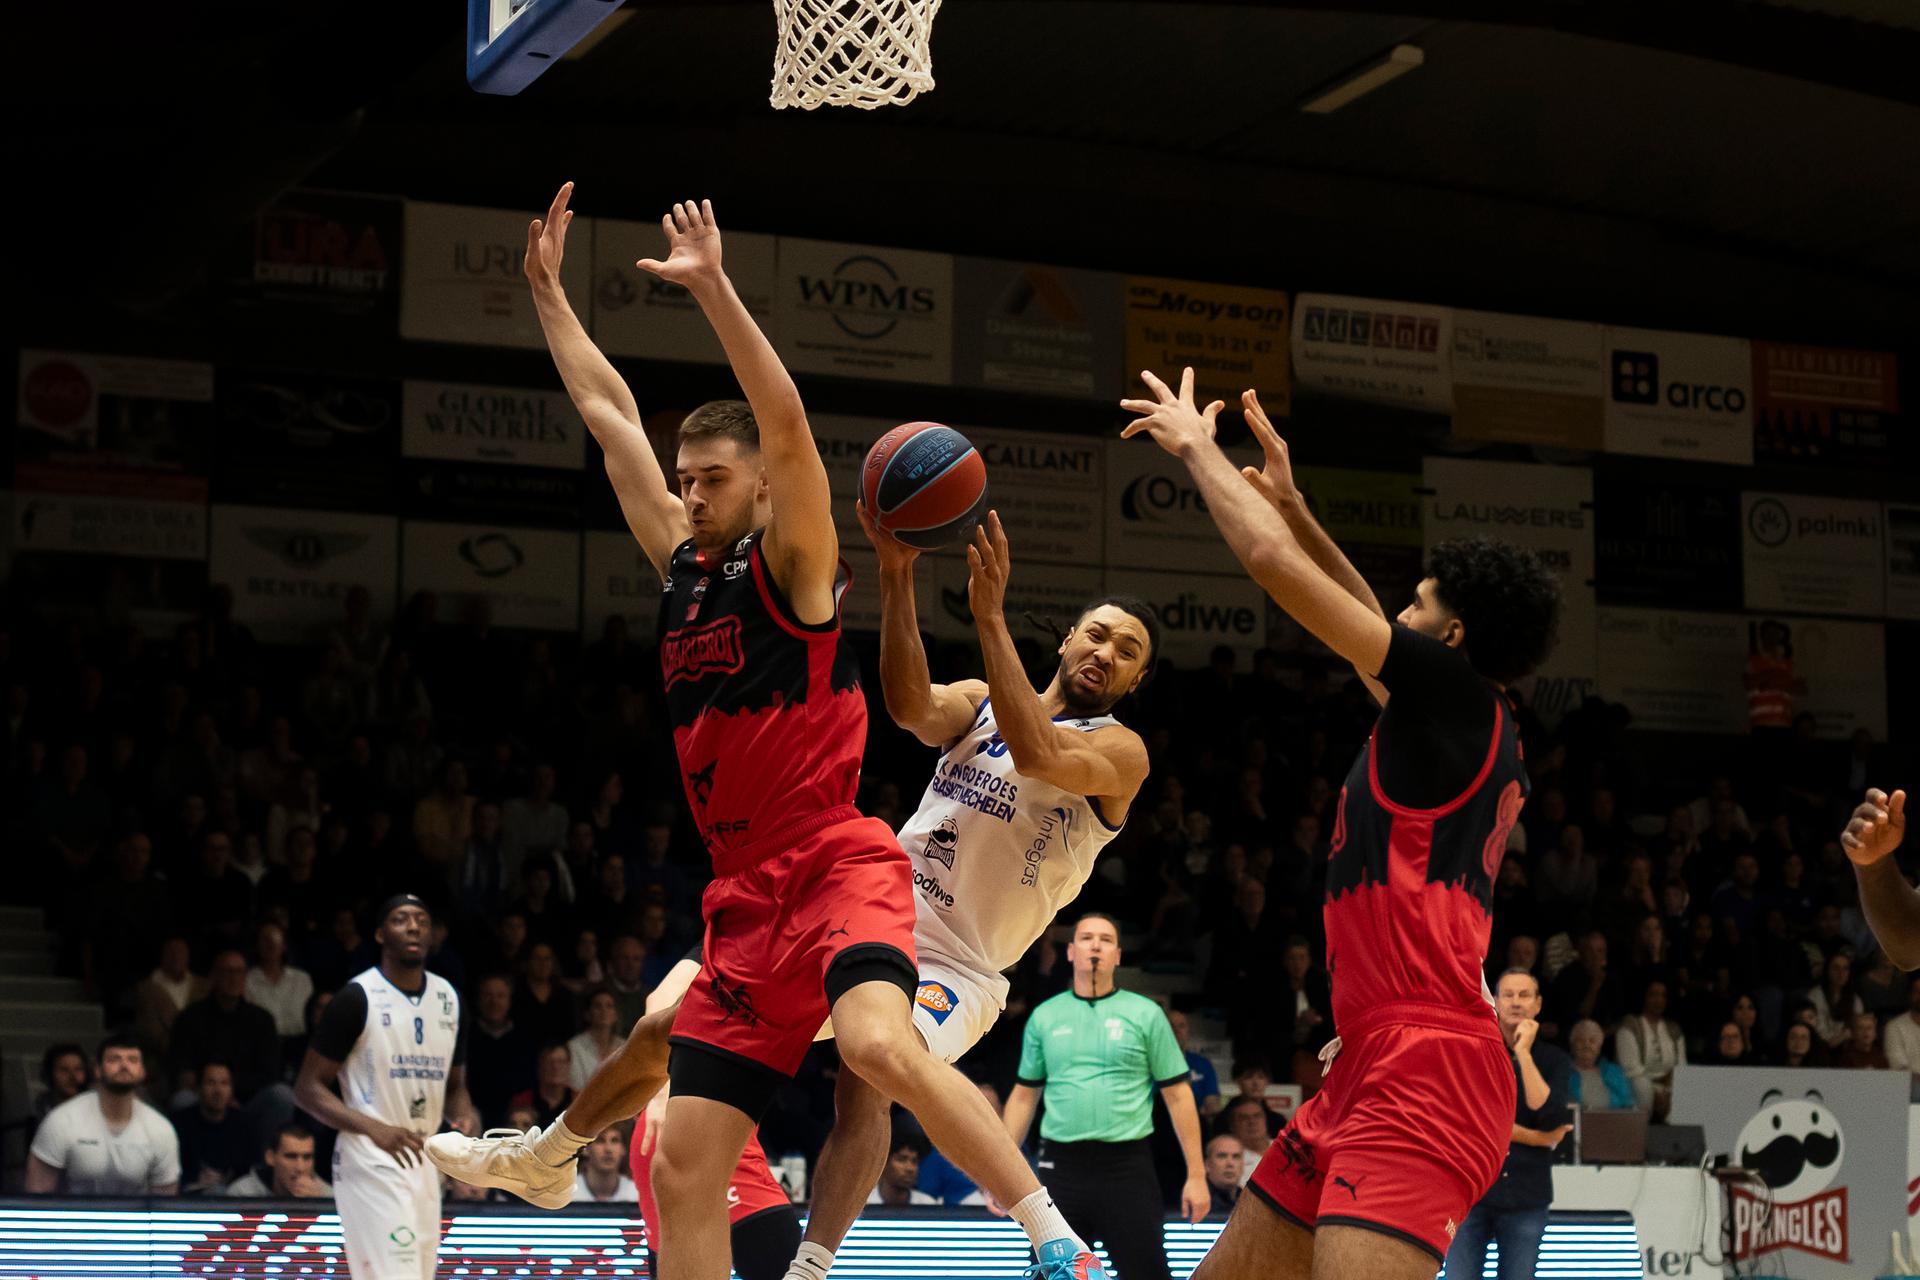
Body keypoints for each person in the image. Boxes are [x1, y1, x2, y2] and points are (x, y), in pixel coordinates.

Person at [428, 187, 1115, 1280]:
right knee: (683, 1166)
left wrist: (713, 288)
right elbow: (609, 416)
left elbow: (786, 420)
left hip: (836, 865)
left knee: (880, 1047)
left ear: (757, 485)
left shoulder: (794, 566)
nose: (694, 495)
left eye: (714, 479)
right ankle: (552, 1154)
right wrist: (549, 295)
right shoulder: (682, 567)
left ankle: (1051, 1240)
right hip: (744, 894)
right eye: (687, 480)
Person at [1122, 375, 1559, 1280]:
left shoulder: (1454, 703)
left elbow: (1272, 566)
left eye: (1418, 605)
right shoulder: (1462, 717)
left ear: (1451, 638)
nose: (1397, 616)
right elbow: (1360, 616)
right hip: (1370, 1057)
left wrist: (1197, 449)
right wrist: (1299, 511)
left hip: (1431, 1069)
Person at [1001, 913, 1210, 1280]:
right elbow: (1023, 1096)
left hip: (1127, 1168)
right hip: (1060, 1169)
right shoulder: (1045, 1017)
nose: (1095, 945)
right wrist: (1001, 1172)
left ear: (1118, 955)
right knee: (1052, 1275)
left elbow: (1178, 1095)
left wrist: (1196, 1174)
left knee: (1148, 1274)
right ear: (1070, 952)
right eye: (1086, 938)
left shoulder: (1146, 1014)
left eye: (1106, 939)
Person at [294, 895, 476, 1280]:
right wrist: (374, 1127)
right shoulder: (356, 997)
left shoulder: (450, 999)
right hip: (370, 1155)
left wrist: (464, 1116)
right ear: (380, 934)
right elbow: (308, 1088)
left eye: (421, 920)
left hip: (425, 1157)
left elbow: (456, 1087)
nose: (413, 927)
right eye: (401, 919)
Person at [629, 951, 802, 1280]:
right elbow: (660, 1001)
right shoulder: (741, 938)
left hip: (691, 1125)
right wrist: (662, 1091)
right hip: (698, 1127)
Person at [1445, 970, 1573, 1280]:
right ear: (1495, 1002)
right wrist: (1537, 1137)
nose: (1516, 1002)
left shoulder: (1554, 1059)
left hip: (1526, 1194)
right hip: (1471, 1192)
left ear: (1538, 1004)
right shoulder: (1473, 1052)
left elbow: (1552, 1118)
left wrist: (1523, 1054)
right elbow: (1463, 1121)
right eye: (1508, 995)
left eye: (1524, 995)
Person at [27, 1035, 180, 1195]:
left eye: (132, 1060)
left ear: (142, 1072)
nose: (124, 1065)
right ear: (97, 1070)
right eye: (114, 1059)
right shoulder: (62, 1121)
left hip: (135, 1212)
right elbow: (37, 1195)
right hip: (76, 1211)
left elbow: (164, 1202)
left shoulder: (161, 1129)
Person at [171, 1061, 255, 1192]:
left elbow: (249, 1171)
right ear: (199, 1089)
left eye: (224, 1083)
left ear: (231, 1090)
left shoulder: (244, 1124)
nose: (218, 1090)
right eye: (211, 1083)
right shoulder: (180, 1123)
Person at [1615, 980, 1685, 1120]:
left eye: (1663, 996)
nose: (1659, 1000)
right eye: (1653, 995)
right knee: (1642, 1085)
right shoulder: (1630, 1025)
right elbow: (1630, 1067)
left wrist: (1668, 1090)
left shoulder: (1674, 1029)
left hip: (1667, 1085)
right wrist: (1655, 1090)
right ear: (1644, 997)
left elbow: (1681, 1065)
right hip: (1639, 1084)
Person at [227, 1123, 332, 1196]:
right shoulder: (242, 1193)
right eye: (291, 1156)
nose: (300, 1167)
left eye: (307, 1157)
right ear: (270, 1157)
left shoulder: (329, 1196)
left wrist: (317, 1206)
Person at [1565, 1020, 1635, 1110]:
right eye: (1580, 1040)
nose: (1587, 1045)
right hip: (1577, 1118)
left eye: (1592, 1041)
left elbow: (1629, 1105)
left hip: (1613, 1118)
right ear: (1572, 1045)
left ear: (1599, 1046)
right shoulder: (1562, 1071)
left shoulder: (1615, 1072)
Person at [1169, 1009, 1223, 1118]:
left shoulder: (1202, 1064)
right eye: (1170, 1026)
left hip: (1195, 1121)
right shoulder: (1147, 1064)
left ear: (1188, 1032)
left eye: (1181, 1026)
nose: (1176, 1030)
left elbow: (1211, 1100)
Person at [571, 1126, 639, 1203]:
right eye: (600, 1141)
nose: (608, 1149)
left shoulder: (636, 1196)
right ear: (585, 1149)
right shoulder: (568, 1195)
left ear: (623, 1148)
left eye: (614, 1141)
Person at [867, 1134, 938, 1206]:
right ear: (884, 1163)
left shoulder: (928, 1204)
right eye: (901, 1159)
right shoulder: (864, 1204)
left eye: (914, 1161)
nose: (910, 1168)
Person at [1881, 975, 1920, 1097]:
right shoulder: (1894, 1027)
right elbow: (1899, 1067)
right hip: (1910, 1086)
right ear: (1910, 995)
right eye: (1917, 992)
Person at [1223, 1095, 1273, 1185]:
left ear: (1265, 1120)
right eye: (1244, 1118)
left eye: (1257, 1116)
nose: (1252, 1122)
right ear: (1232, 1126)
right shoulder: (1228, 1160)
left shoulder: (1287, 1148)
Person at [1205, 1136, 1245, 1215]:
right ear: (1207, 1165)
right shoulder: (1197, 1202)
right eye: (1222, 1156)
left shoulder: (1249, 1199)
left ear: (1243, 1165)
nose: (1230, 1164)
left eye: (1236, 1157)